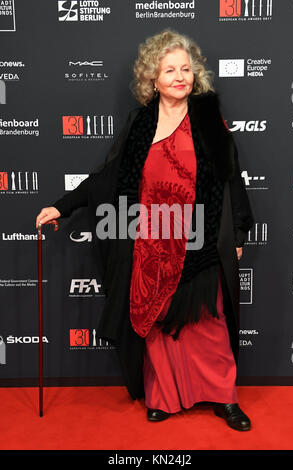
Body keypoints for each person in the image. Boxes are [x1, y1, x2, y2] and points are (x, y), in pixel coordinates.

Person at [35, 29, 254, 431]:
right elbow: (107, 177)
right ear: (152, 78)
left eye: (186, 69)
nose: (179, 76)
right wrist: (61, 206)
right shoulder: (141, 124)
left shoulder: (207, 117)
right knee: (156, 323)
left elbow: (231, 176)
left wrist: (239, 232)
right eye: (169, 69)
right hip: (151, 241)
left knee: (208, 323)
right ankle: (164, 397)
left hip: (200, 239)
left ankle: (224, 399)